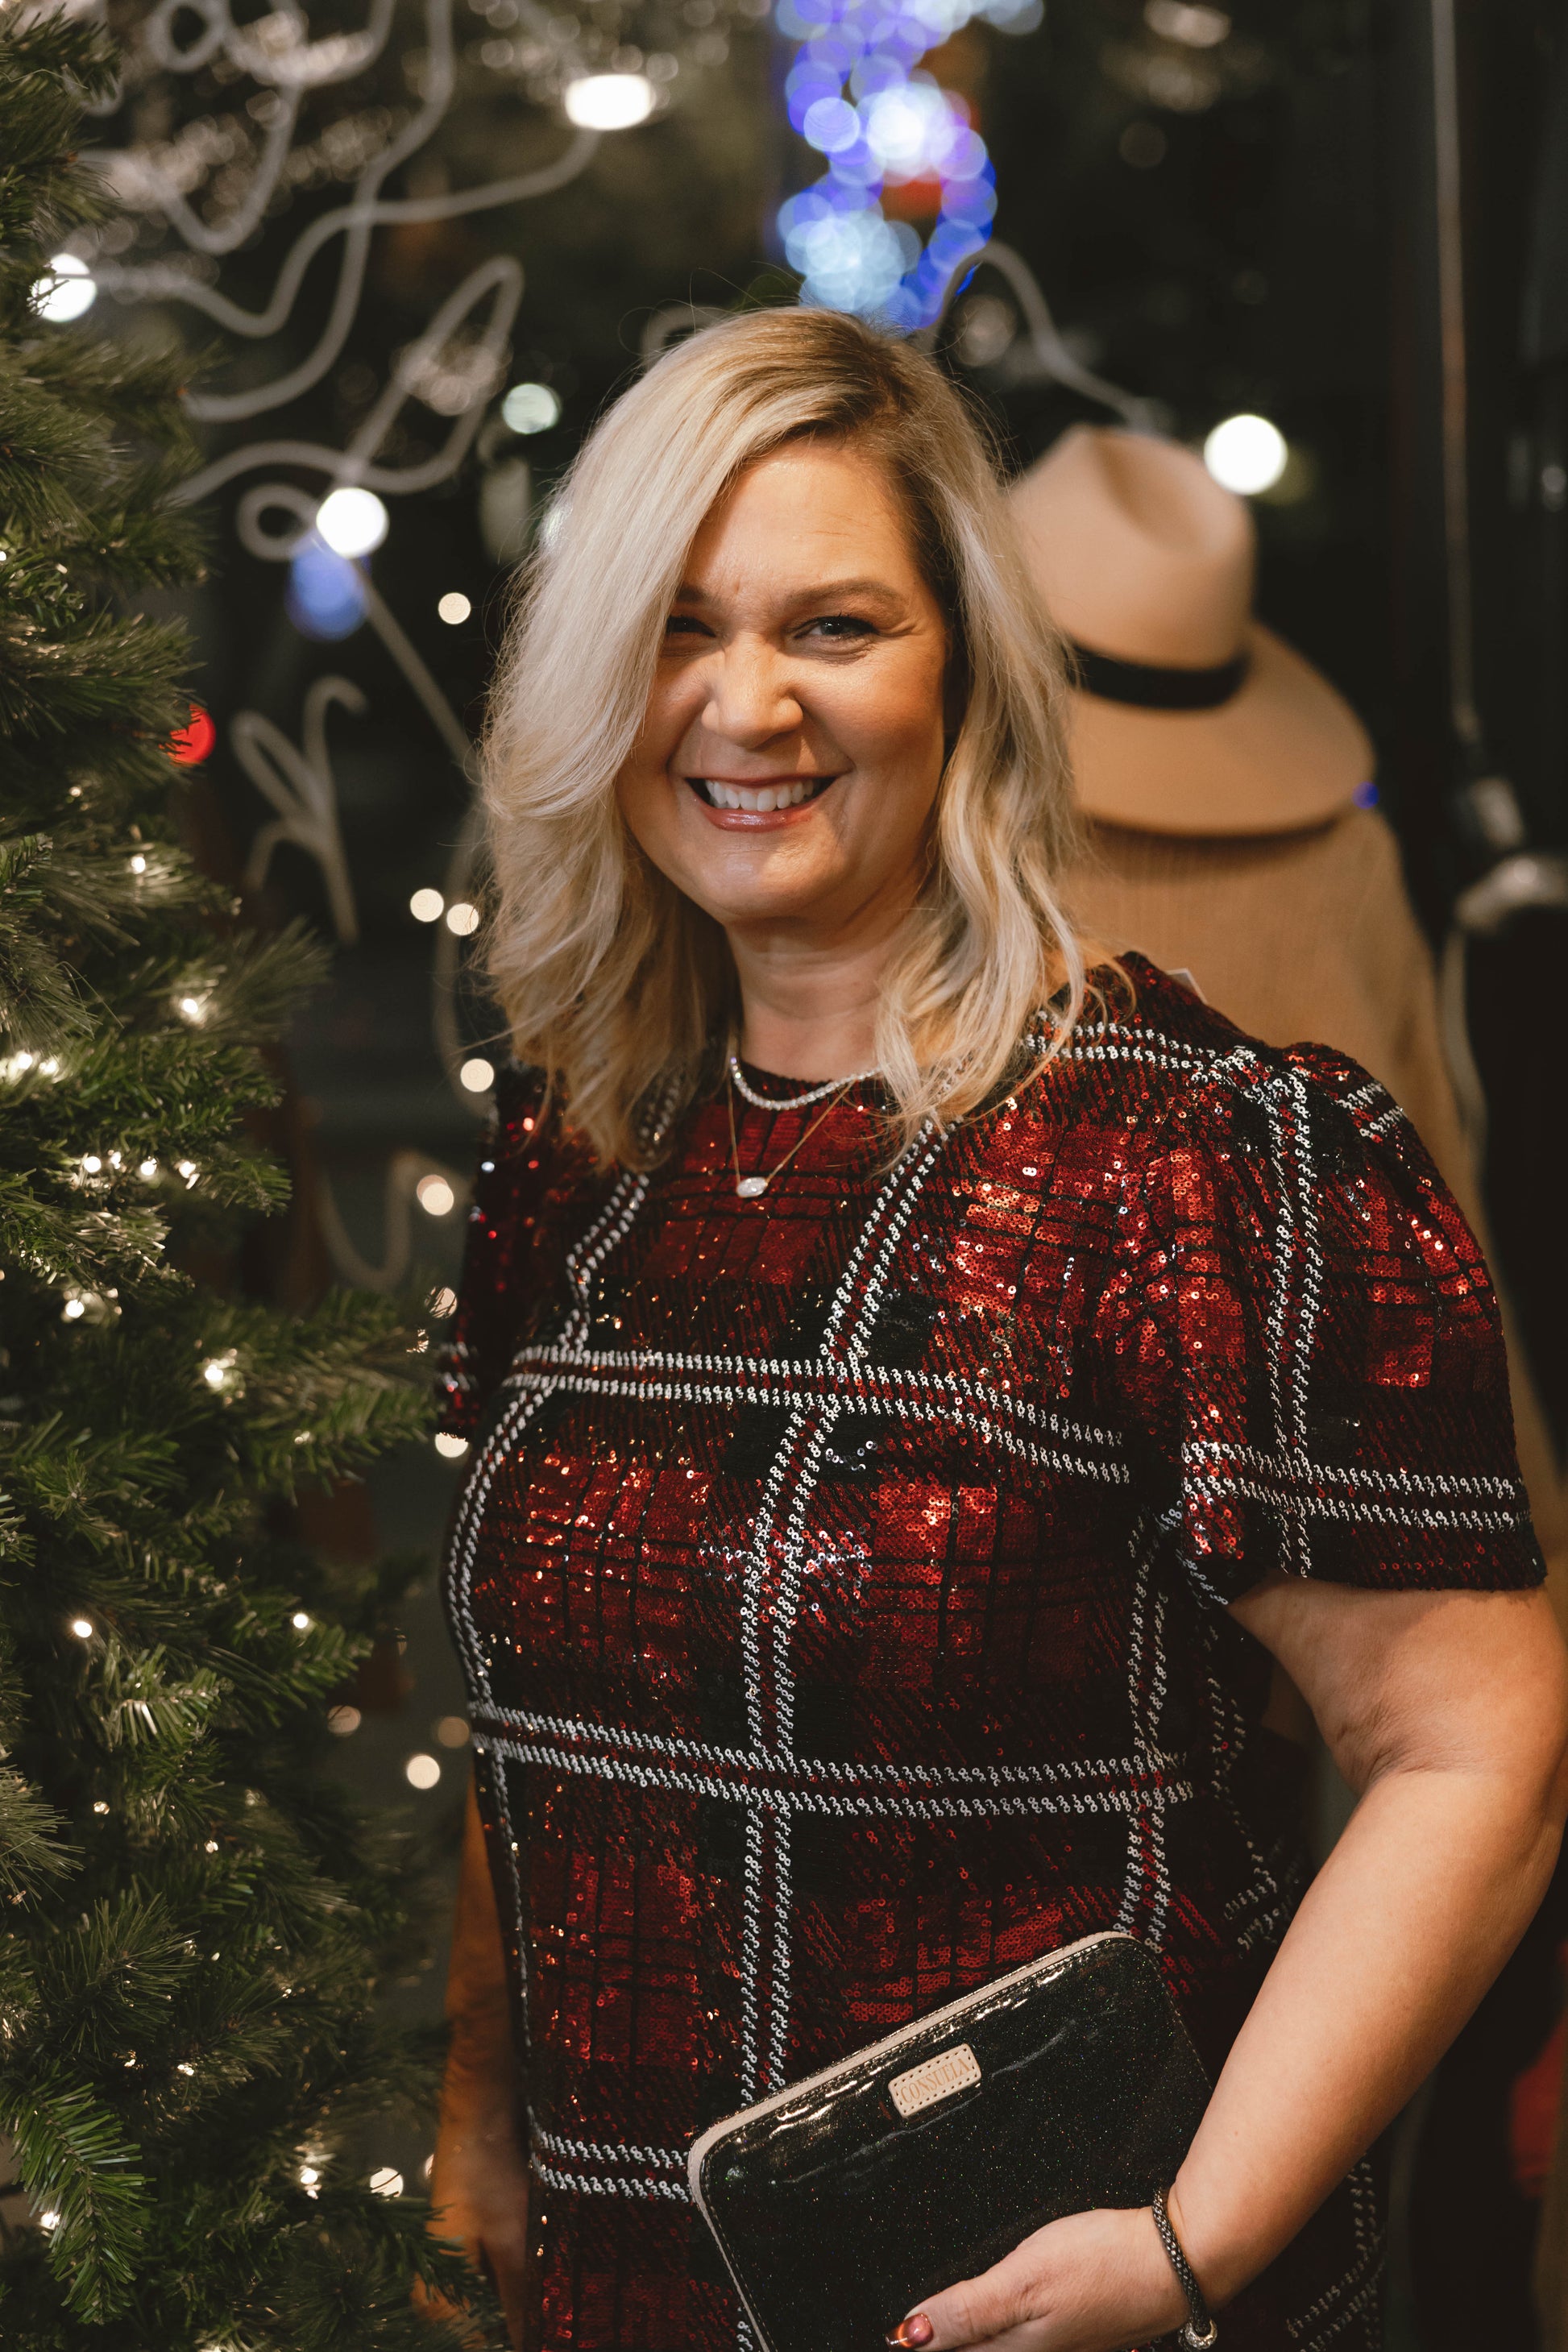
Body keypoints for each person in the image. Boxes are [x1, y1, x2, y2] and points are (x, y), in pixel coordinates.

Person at [422, 307, 1568, 2352]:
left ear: (963, 679)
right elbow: (535, 1710)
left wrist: (1194, 2238)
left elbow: (1477, 1744)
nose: (744, 702)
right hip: (614, 2293)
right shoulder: (589, 1148)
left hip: (1045, 2295)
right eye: (679, 625)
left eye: (834, 626)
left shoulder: (1187, 1147)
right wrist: (479, 2116)